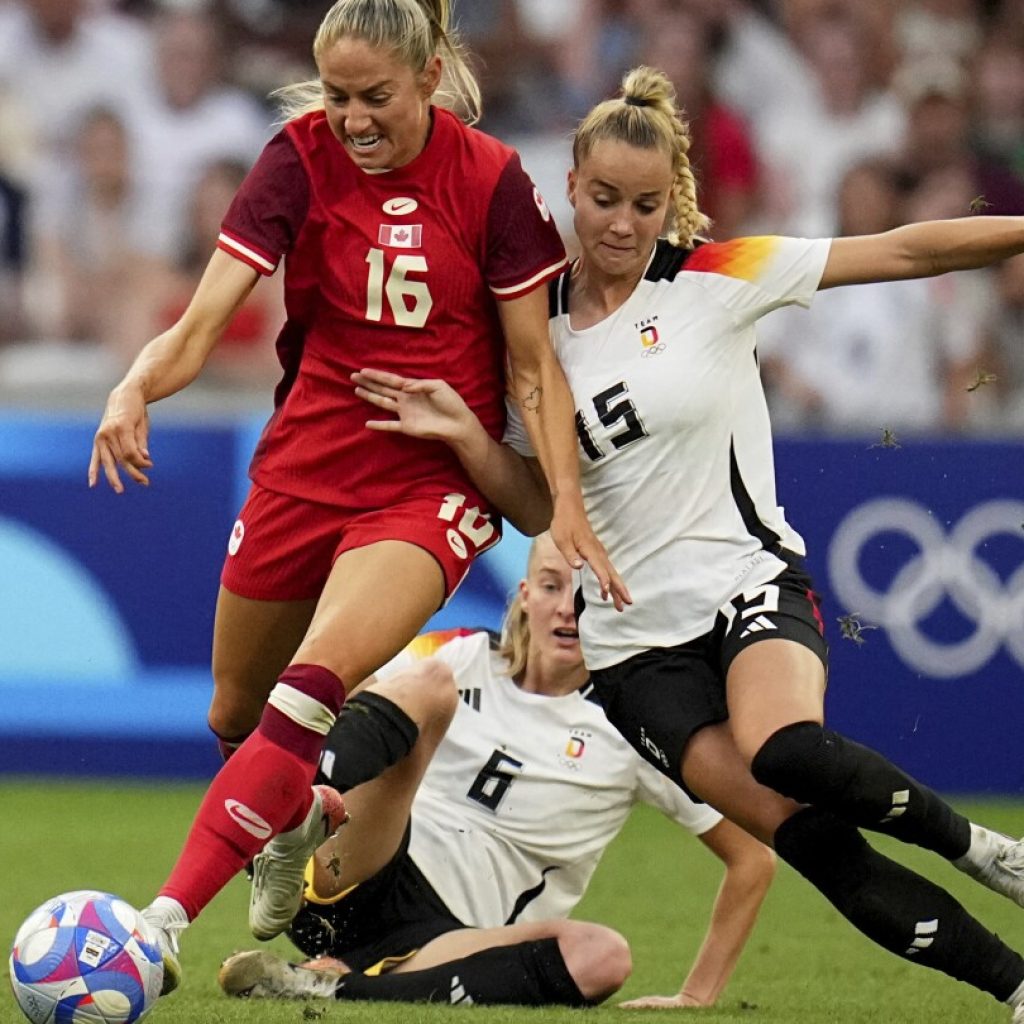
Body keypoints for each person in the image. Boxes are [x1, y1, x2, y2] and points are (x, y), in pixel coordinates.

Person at [349, 65, 1024, 1021]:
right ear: (571, 186)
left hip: (746, 583)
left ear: (675, 202)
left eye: (648, 205)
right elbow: (542, 508)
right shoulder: (527, 338)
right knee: (814, 846)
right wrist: (466, 434)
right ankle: (1016, 985)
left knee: (787, 749)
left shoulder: (715, 278)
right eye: (606, 200)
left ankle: (986, 853)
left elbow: (906, 251)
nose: (624, 224)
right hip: (631, 654)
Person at [88, 0, 626, 1000]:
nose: (352, 117)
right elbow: (203, 324)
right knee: (236, 713)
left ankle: (158, 924)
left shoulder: (493, 183)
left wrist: (567, 506)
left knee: (309, 686)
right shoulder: (295, 157)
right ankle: (289, 823)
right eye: (337, 95)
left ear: (428, 78)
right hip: (303, 463)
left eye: (374, 96)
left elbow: (532, 369)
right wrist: (135, 384)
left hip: (424, 486)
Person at [217, 532, 775, 1008]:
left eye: (586, 596)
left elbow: (752, 856)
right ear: (526, 595)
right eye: (554, 587)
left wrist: (697, 996)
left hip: (446, 941)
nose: (567, 609)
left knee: (602, 957)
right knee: (402, 683)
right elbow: (351, 696)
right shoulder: (463, 654)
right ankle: (281, 825)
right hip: (360, 867)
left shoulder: (635, 729)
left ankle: (328, 987)